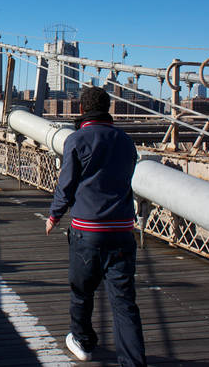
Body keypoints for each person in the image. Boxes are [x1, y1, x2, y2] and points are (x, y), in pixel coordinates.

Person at [45, 86, 146, 366]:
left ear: (80, 109)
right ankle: (134, 363)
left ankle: (83, 341)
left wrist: (54, 216)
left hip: (88, 231)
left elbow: (66, 186)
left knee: (81, 291)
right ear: (109, 108)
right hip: (123, 231)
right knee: (125, 303)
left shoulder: (76, 140)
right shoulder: (127, 142)